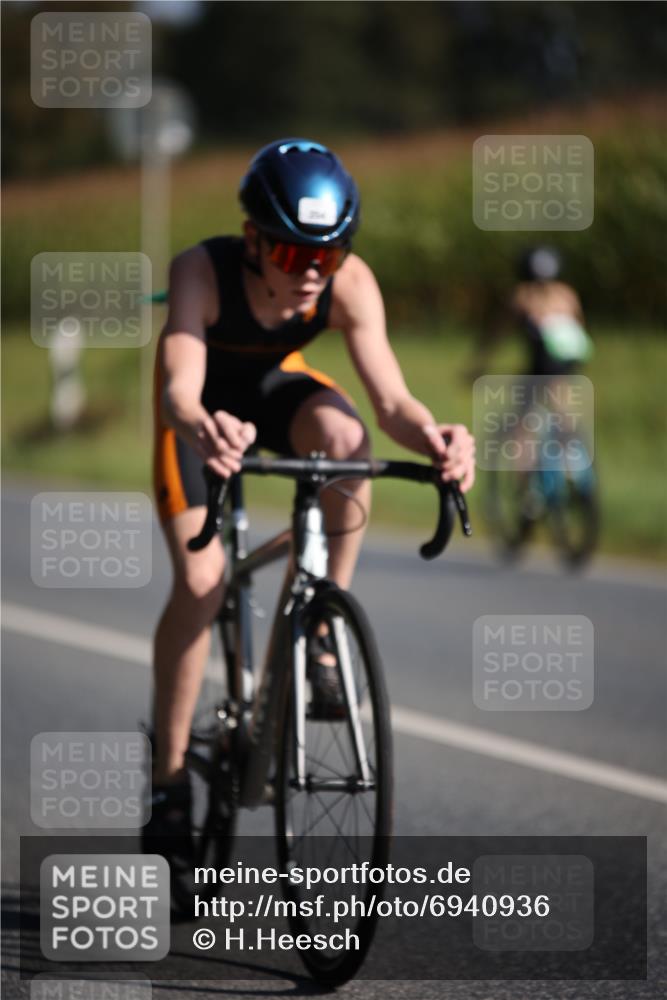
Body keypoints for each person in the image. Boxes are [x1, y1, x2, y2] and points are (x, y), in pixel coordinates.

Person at [143, 138, 475, 877]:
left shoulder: (346, 282)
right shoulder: (201, 270)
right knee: (201, 583)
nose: (312, 274)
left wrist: (435, 438)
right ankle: (168, 784)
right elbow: (177, 388)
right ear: (254, 240)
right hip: (199, 417)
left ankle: (321, 624)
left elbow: (391, 400)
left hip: (272, 392)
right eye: (294, 256)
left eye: (328, 255)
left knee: (347, 435)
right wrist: (203, 426)